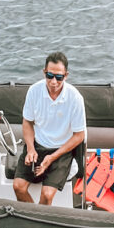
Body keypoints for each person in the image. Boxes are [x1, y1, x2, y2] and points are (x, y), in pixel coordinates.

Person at [13, 52, 86, 206]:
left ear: (66, 76)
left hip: (61, 151)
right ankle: (34, 218)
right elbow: (27, 122)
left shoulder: (75, 98)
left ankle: (39, 223)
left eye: (58, 77)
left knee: (46, 195)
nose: (54, 81)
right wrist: (31, 149)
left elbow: (79, 135)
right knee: (18, 187)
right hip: (38, 146)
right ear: (44, 72)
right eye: (50, 75)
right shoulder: (34, 91)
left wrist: (52, 158)